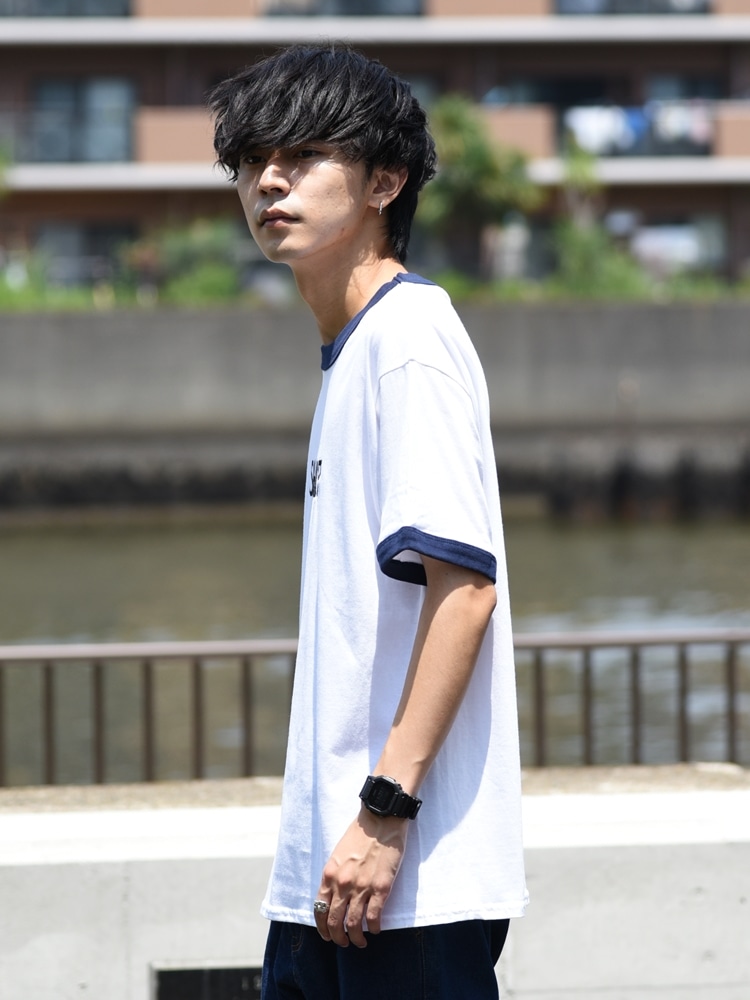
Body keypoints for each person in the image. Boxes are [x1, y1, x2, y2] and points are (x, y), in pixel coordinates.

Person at [210, 43, 528, 1000]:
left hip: (406, 881)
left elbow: (464, 593)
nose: (269, 180)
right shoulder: (356, 348)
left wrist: (386, 813)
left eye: (304, 155)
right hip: (332, 874)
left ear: (385, 181)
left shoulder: (407, 341)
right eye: (251, 160)